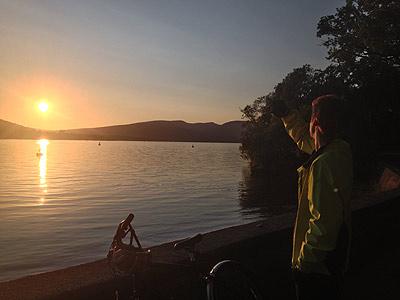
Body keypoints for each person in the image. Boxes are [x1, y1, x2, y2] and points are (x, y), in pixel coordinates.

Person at [271, 95, 353, 300]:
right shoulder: (340, 150)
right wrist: (287, 116)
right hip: (336, 260)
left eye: (310, 118)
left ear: (315, 122)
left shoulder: (323, 164)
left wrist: (303, 264)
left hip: (318, 268)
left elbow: (323, 225)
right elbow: (304, 139)